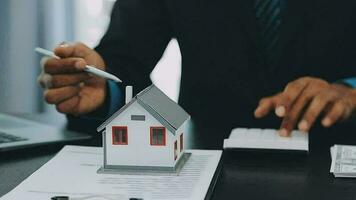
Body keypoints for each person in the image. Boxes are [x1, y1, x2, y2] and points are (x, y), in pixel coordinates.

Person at [38, 0, 356, 144]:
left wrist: (350, 90)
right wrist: (101, 90)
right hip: (207, 164)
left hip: (337, 162)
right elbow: (122, 61)